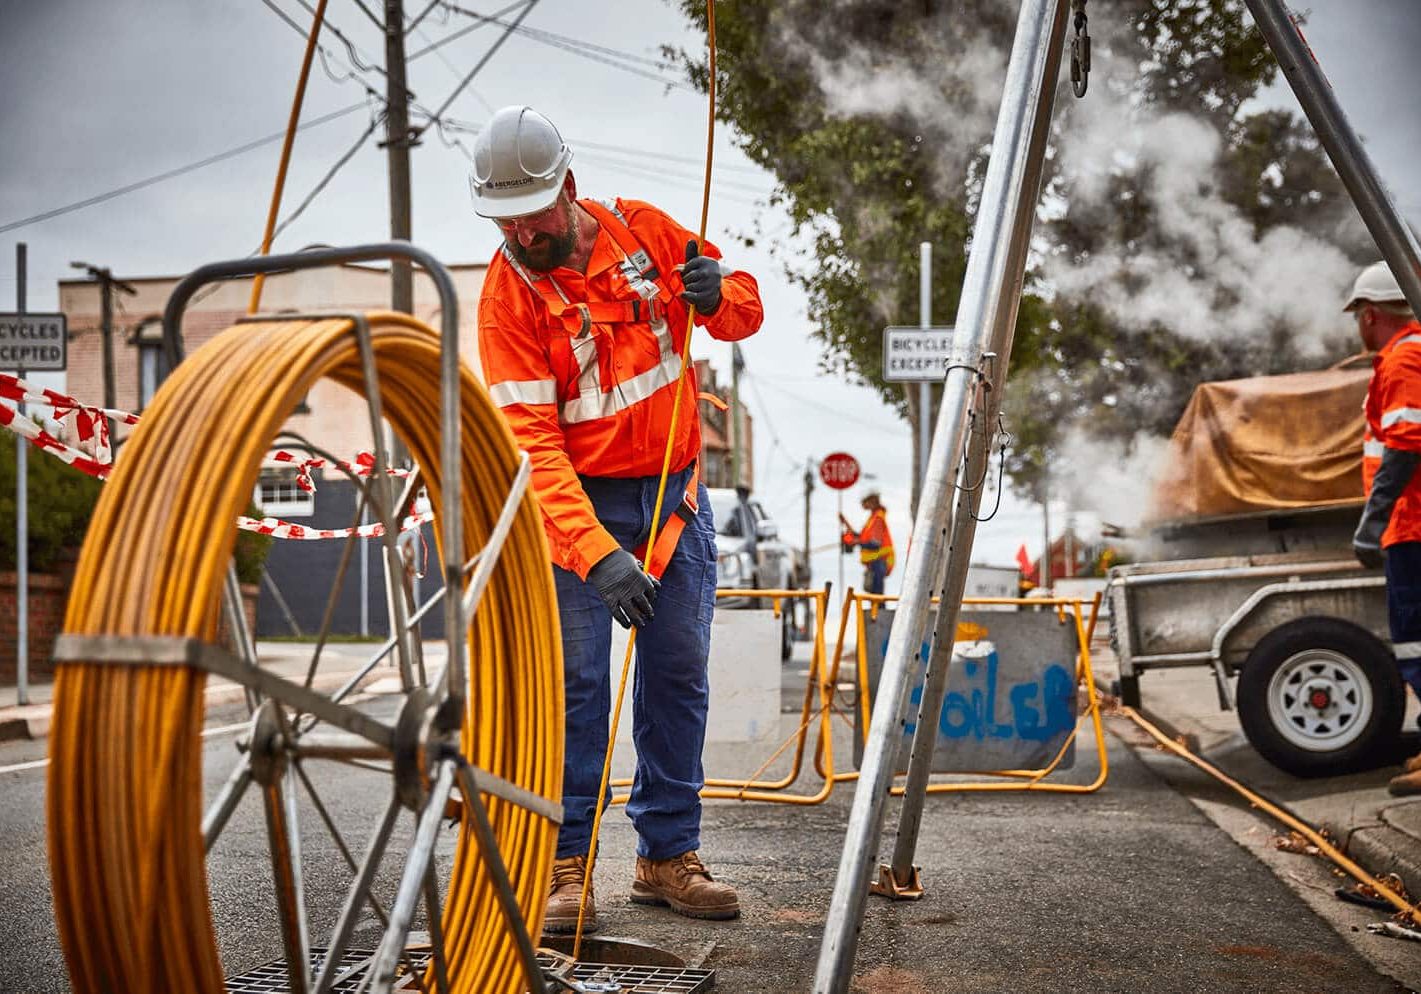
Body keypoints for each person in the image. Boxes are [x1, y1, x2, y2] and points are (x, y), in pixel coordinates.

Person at [471, 106, 763, 931]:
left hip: (672, 499)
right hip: (580, 509)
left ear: (567, 187)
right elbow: (533, 448)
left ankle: (666, 857)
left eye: (533, 217)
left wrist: (719, 292)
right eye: (505, 223)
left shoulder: (645, 232)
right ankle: (563, 863)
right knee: (576, 687)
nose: (522, 236)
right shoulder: (507, 300)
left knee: (677, 677)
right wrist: (595, 553)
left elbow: (743, 310)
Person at [1346, 261, 1421, 796]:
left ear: (1370, 315)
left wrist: (1370, 526)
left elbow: (1404, 445)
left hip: (1413, 529)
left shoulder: (1405, 358)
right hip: (1409, 528)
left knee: (1418, 643)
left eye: (1357, 316)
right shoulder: (1405, 356)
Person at [839, 490, 894, 595]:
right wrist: (847, 526)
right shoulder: (872, 519)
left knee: (877, 595)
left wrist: (855, 542)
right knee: (874, 594)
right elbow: (863, 538)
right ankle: (877, 610)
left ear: (872, 502)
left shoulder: (878, 518)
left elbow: (875, 544)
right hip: (876, 560)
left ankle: (878, 611)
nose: (863, 504)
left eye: (866, 502)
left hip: (881, 559)